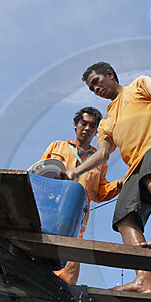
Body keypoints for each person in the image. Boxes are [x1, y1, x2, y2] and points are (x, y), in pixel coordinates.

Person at [67, 62, 151, 295]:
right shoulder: (106, 122)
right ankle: (144, 280)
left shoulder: (139, 85)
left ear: (110, 75)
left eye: (97, 83)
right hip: (134, 166)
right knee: (123, 218)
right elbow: (102, 153)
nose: (96, 90)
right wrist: (76, 172)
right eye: (92, 89)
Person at [41, 106, 122, 285]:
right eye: (83, 123)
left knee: (66, 275)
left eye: (92, 126)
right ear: (76, 125)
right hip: (48, 215)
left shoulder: (100, 159)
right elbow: (38, 176)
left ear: (96, 131)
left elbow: (99, 193)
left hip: (76, 222)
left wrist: (119, 185)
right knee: (39, 260)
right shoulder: (57, 146)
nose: (86, 128)